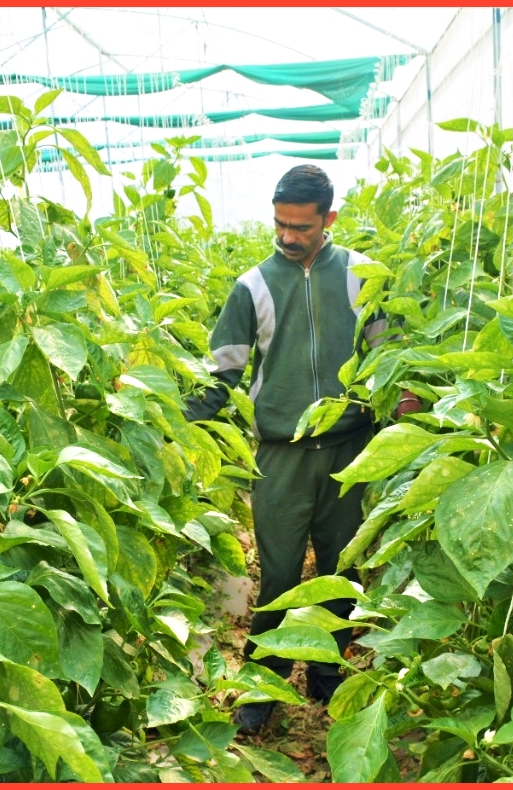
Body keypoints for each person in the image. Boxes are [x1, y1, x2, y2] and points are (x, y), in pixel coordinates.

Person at [182, 165, 420, 736]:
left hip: (351, 448)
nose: (287, 237)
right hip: (281, 453)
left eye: (300, 227)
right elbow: (224, 371)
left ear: (328, 220)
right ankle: (262, 685)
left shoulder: (362, 276)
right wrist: (179, 426)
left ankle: (327, 672)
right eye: (280, 224)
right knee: (282, 573)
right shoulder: (254, 285)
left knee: (341, 570)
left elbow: (390, 358)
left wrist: (409, 405)